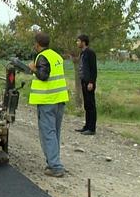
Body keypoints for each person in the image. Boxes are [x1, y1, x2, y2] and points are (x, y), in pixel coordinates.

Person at [27, 32, 69, 177]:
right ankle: (54, 161)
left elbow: (44, 76)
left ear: (37, 44)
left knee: (48, 133)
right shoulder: (56, 56)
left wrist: (33, 69)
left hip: (47, 100)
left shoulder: (42, 57)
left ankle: (55, 166)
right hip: (59, 99)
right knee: (55, 132)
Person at [75, 34, 98, 135]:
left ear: (83, 42)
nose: (77, 43)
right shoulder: (82, 53)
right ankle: (87, 126)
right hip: (83, 82)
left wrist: (91, 82)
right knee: (87, 105)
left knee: (91, 105)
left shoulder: (90, 53)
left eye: (78, 41)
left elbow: (93, 69)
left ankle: (92, 128)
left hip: (89, 83)